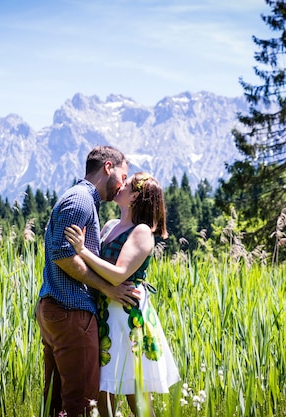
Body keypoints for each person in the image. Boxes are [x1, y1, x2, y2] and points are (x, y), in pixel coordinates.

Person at [64, 172, 180, 417]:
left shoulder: (142, 232)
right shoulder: (110, 226)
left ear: (136, 196)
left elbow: (118, 274)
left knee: (135, 393)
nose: (120, 185)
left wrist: (82, 251)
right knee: (103, 390)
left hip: (128, 319)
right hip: (106, 315)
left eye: (126, 185)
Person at [36, 146, 139, 417]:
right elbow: (61, 252)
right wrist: (107, 288)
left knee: (56, 402)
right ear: (108, 167)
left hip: (59, 309)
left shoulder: (80, 198)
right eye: (123, 175)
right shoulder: (81, 199)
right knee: (81, 404)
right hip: (71, 310)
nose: (122, 185)